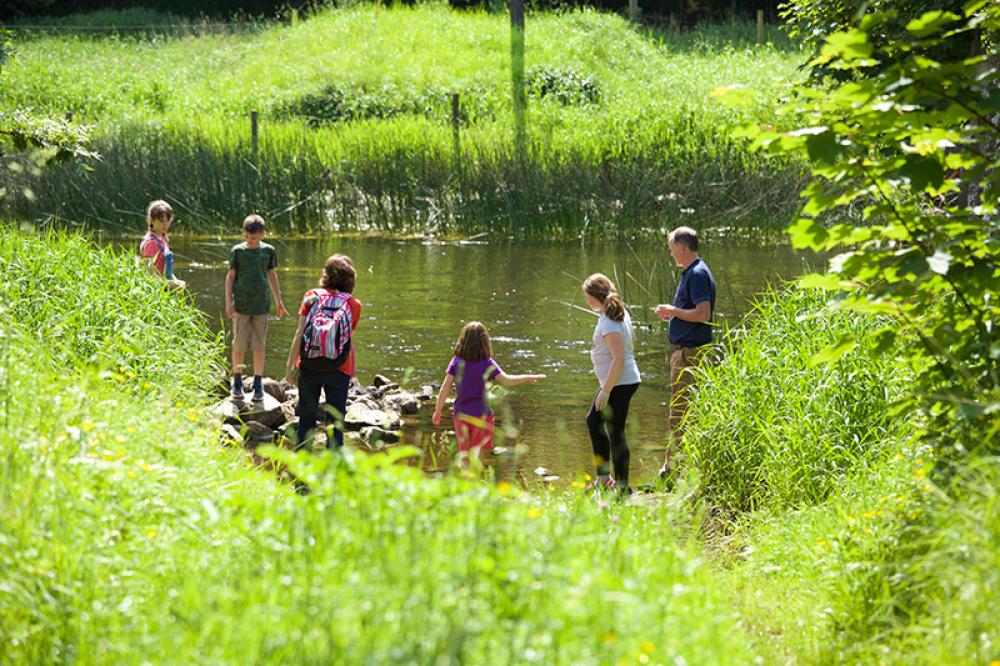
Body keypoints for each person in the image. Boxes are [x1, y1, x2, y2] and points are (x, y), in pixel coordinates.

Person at [432, 321, 545, 463]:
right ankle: (476, 481)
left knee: (464, 455)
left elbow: (445, 387)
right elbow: (507, 380)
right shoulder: (487, 363)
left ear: (462, 341)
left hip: (461, 415)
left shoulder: (457, 361)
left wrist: (438, 410)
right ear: (485, 342)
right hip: (482, 416)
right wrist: (528, 377)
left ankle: (465, 481)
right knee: (478, 456)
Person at [654, 226, 716, 479]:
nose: (671, 254)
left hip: (691, 354)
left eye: (671, 249)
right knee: (682, 410)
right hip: (686, 352)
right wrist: (672, 313)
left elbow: (704, 314)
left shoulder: (698, 274)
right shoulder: (692, 272)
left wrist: (673, 310)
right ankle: (677, 467)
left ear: (682, 247)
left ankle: (675, 471)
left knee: (680, 412)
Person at [284, 254, 362, 451]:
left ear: (325, 276)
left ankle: (301, 476)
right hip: (339, 368)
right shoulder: (353, 304)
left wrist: (291, 367)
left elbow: (300, 333)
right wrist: (351, 372)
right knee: (335, 425)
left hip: (309, 366)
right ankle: (333, 474)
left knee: (306, 423)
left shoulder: (311, 296)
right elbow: (347, 338)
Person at [582, 274, 641, 493]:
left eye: (587, 296)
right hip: (621, 380)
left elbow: (619, 358)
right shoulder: (620, 314)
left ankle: (616, 484)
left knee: (607, 427)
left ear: (594, 295)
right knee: (602, 425)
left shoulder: (609, 321)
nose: (586, 301)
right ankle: (610, 481)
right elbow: (632, 342)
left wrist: (606, 390)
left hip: (618, 382)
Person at [224, 214, 289, 401]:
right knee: (239, 345)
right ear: (244, 234)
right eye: (247, 237)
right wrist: (228, 302)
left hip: (261, 306)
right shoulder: (237, 251)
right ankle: (237, 382)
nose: (250, 241)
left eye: (254, 238)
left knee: (259, 346)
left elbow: (272, 276)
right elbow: (230, 277)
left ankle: (258, 384)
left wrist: (279, 301)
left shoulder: (268, 251)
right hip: (241, 306)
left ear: (263, 234)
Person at [138, 199, 186, 289]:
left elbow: (166, 269)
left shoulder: (162, 237)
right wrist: (170, 284)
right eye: (161, 221)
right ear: (152, 220)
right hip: (156, 288)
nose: (165, 225)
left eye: (168, 220)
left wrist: (175, 281)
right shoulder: (151, 243)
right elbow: (149, 273)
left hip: (165, 283)